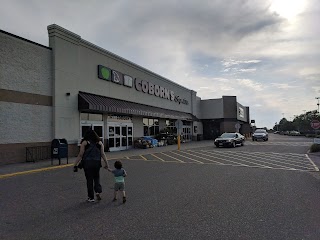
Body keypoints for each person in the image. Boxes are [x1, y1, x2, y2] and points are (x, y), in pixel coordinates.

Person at [74, 130, 109, 203]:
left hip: (87, 164)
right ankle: (98, 191)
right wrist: (106, 163)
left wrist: (75, 164)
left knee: (89, 180)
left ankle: (91, 197)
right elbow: (102, 154)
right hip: (96, 163)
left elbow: (80, 154)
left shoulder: (85, 142)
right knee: (96, 178)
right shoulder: (99, 143)